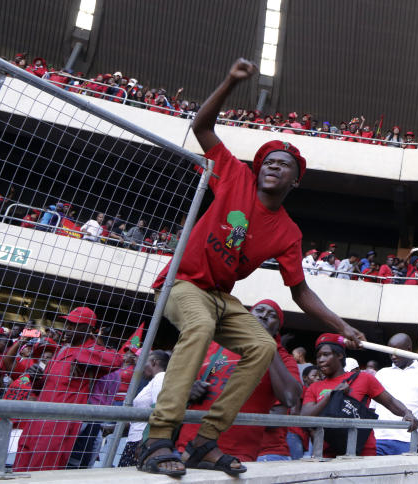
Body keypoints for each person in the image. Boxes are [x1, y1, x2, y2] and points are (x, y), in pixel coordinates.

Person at [139, 59, 365, 477]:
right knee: (200, 328)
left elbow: (301, 293)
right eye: (268, 161)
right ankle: (158, 437)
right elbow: (202, 128)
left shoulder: (288, 232)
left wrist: (342, 326)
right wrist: (229, 82)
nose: (272, 166)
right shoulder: (234, 176)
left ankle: (205, 442)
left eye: (284, 165)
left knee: (262, 348)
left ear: (294, 181)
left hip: (222, 297)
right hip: (184, 284)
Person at [176, 299, 301, 464]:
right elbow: (191, 380)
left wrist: (266, 345)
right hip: (188, 446)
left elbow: (290, 398)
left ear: (277, 329)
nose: (264, 316)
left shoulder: (283, 359)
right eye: (259, 310)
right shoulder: (219, 344)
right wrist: (190, 389)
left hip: (236, 454)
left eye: (272, 316)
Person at [14, 307, 122, 472]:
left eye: (74, 325)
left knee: (42, 470)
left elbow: (116, 360)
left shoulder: (91, 350)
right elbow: (44, 386)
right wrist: (36, 379)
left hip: (59, 423)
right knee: (21, 466)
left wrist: (81, 358)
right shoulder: (62, 349)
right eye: (68, 324)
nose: (68, 328)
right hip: (38, 417)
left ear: (87, 329)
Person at [302, 333, 417, 458]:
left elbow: (390, 402)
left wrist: (406, 412)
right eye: (318, 356)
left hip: (362, 453)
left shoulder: (364, 378)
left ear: (339, 355)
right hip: (326, 455)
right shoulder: (314, 387)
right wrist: (332, 394)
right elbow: (305, 417)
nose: (320, 360)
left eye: (326, 354)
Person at [119, 350, 170, 467]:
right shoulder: (153, 380)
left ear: (153, 362)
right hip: (135, 439)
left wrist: (145, 441)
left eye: (145, 362)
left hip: (140, 440)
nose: (141, 366)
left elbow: (158, 408)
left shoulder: (160, 378)